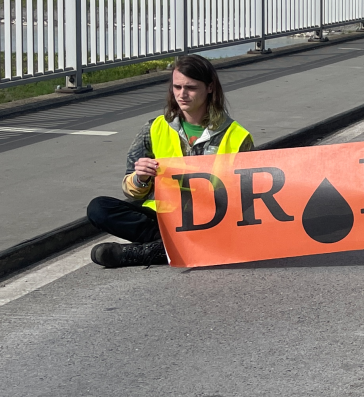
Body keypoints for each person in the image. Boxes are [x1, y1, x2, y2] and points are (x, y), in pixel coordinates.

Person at [86, 55, 254, 269]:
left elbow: (249, 198)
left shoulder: (237, 136)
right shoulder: (154, 127)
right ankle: (177, 246)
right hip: (162, 218)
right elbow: (131, 191)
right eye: (177, 87)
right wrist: (140, 178)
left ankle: (144, 252)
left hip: (212, 221)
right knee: (99, 208)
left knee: (233, 233)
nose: (182, 94)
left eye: (190, 88)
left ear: (210, 88)